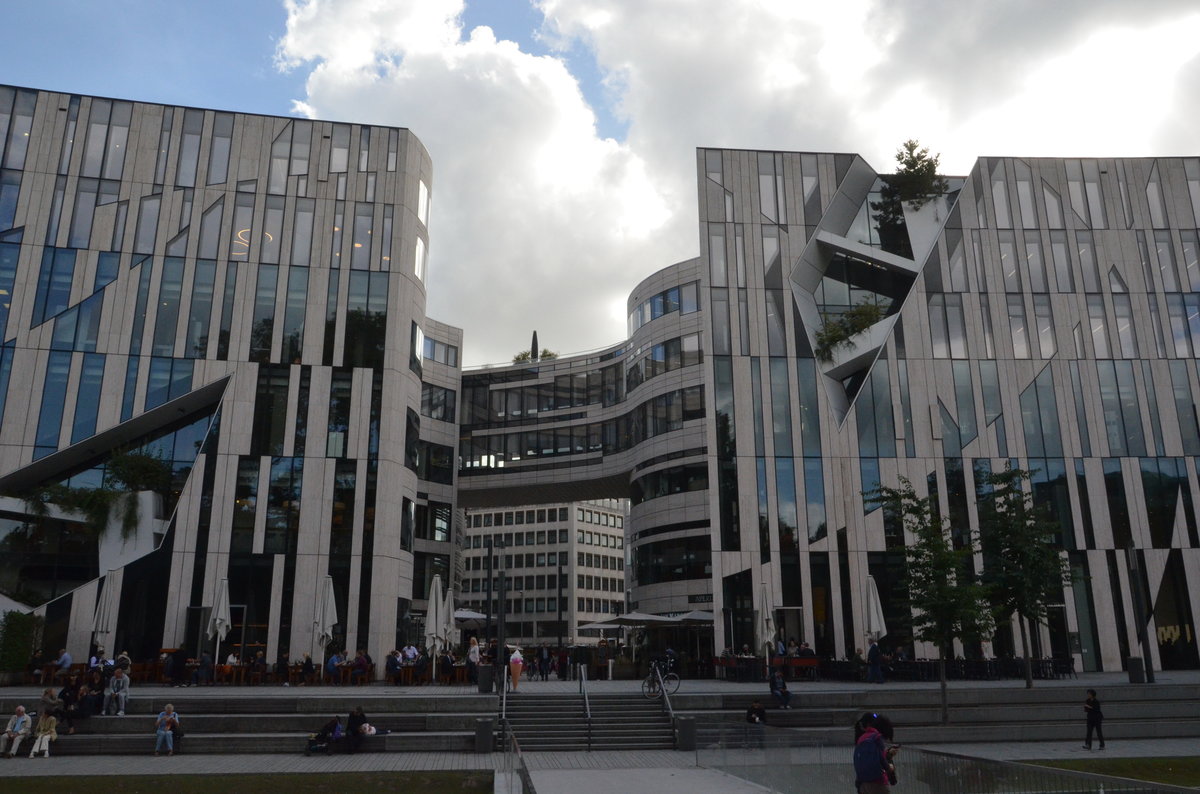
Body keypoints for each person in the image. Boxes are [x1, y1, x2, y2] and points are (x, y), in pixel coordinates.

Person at [853, 712, 897, 794]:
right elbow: (881, 759)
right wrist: (889, 767)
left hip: (863, 783)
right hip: (878, 783)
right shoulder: (876, 737)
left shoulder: (861, 738)